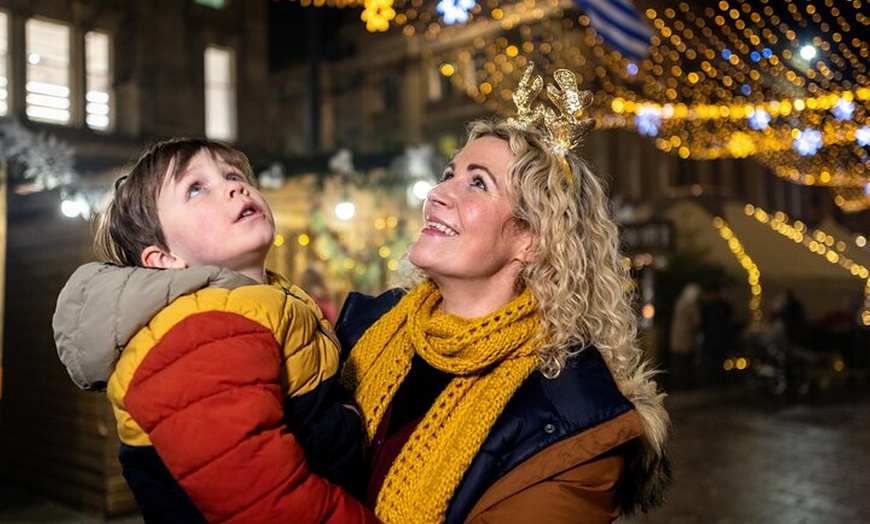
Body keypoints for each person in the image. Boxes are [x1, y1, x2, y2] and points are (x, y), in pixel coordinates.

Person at [336, 65, 671, 524]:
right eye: (448, 173)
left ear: (531, 239)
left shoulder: (572, 421)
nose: (436, 193)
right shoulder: (361, 329)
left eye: (477, 182)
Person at [52, 138, 377, 523]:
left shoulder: (262, 301)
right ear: (164, 259)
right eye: (196, 188)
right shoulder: (199, 328)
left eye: (233, 175)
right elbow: (263, 501)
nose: (233, 187)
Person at [668, 283, 702, 390]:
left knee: (678, 361)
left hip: (676, 335)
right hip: (687, 336)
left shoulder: (680, 302)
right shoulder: (691, 304)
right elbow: (697, 321)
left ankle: (677, 383)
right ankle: (684, 385)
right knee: (685, 361)